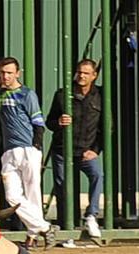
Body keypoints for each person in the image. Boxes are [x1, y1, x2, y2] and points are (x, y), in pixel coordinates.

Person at [0, 58, 55, 248]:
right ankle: (45, 227)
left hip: (28, 150)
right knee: (12, 196)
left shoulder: (27, 94)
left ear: (18, 73)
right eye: (2, 73)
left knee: (33, 194)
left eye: (9, 73)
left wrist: (36, 148)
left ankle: (32, 237)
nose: (5, 76)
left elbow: (38, 123)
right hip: (9, 152)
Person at [46, 59, 104, 238]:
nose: (81, 76)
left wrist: (95, 150)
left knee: (97, 175)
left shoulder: (101, 95)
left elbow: (106, 127)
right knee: (63, 187)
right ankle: (66, 227)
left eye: (86, 73)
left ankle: (91, 216)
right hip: (63, 150)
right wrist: (58, 123)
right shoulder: (63, 95)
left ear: (94, 76)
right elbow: (49, 122)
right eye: (79, 72)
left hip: (86, 150)